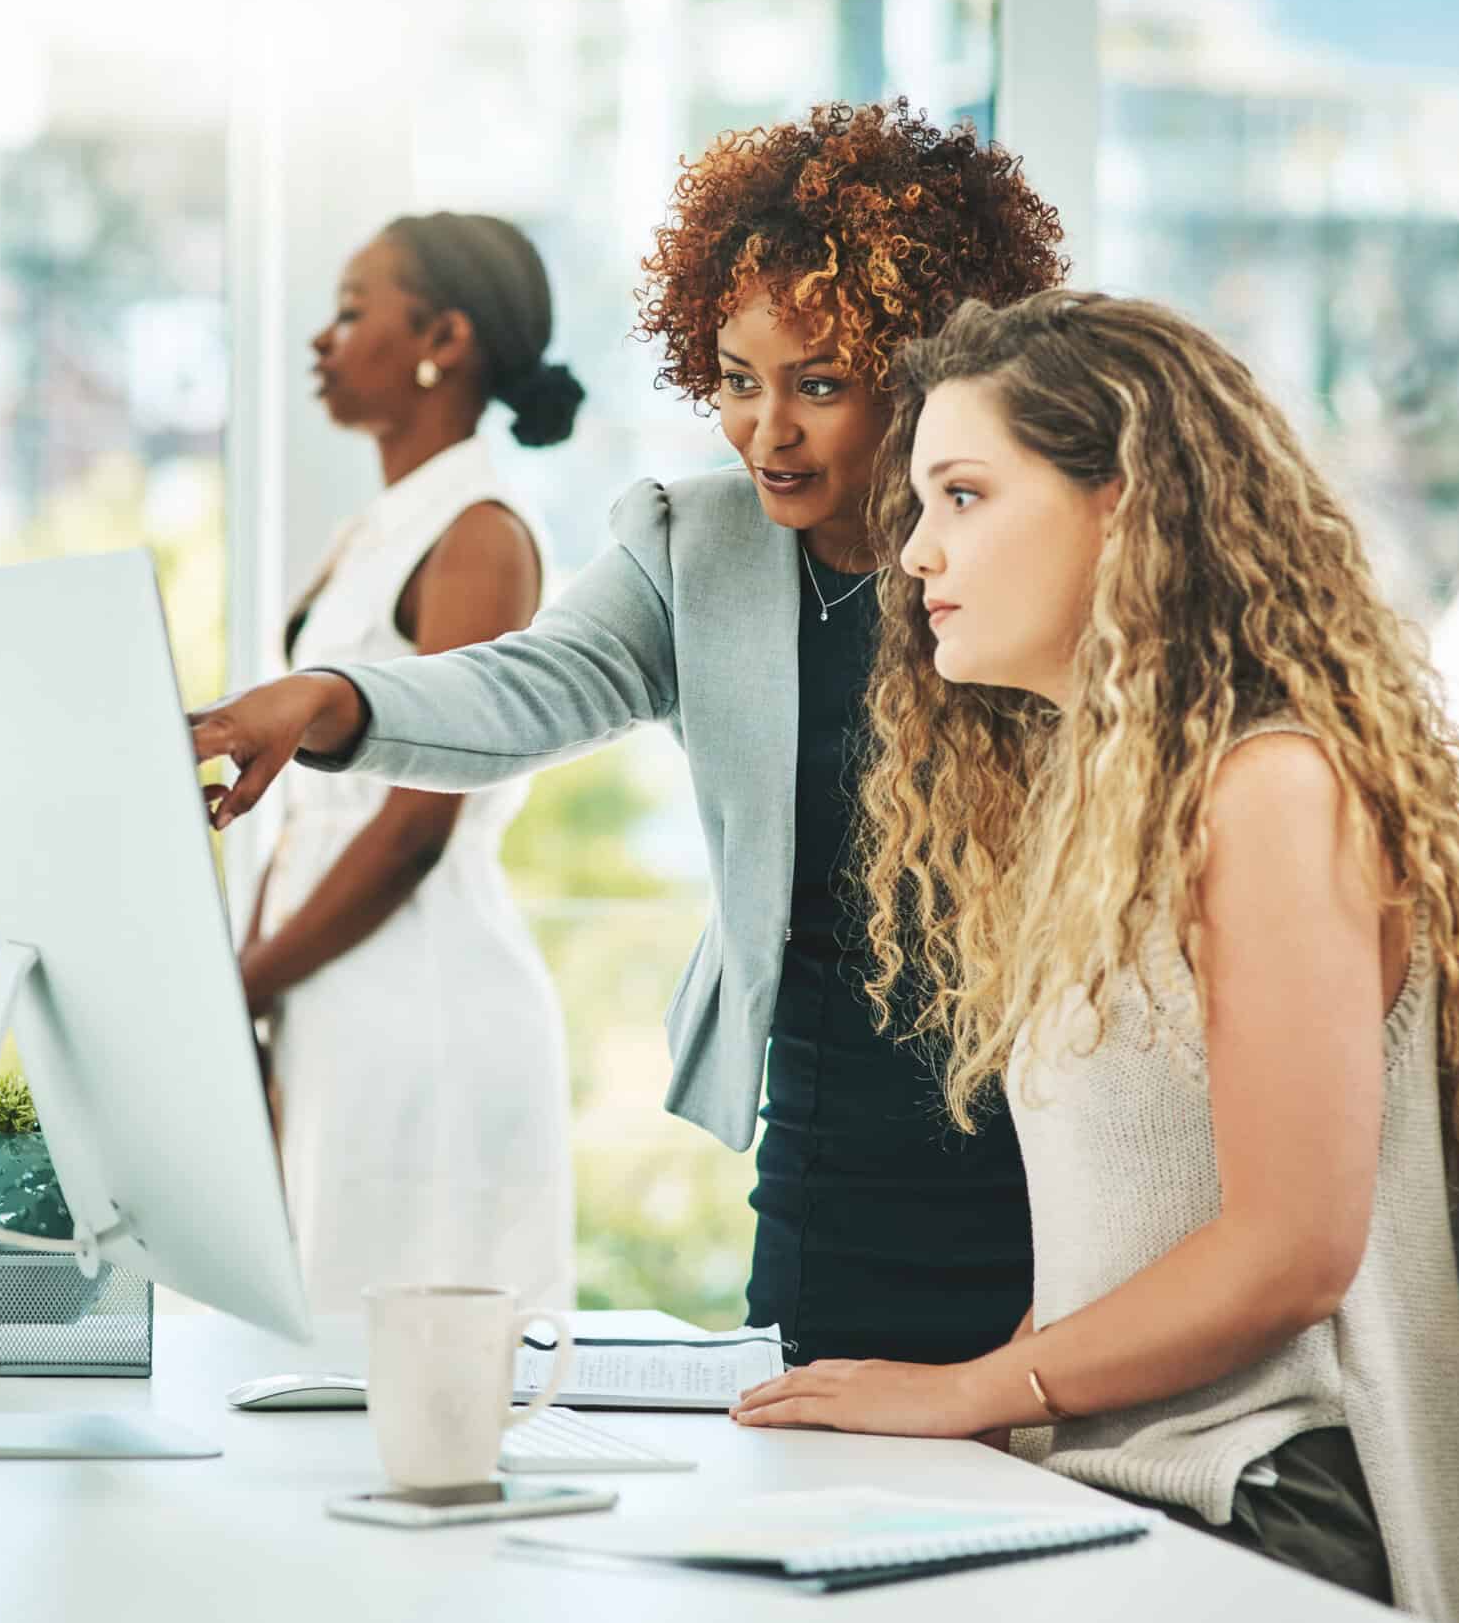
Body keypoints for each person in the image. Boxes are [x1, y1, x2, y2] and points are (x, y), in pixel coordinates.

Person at [193, 103, 1066, 1363]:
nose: (767, 432)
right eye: (734, 382)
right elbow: (531, 685)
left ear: (928, 375)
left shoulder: (1016, 550)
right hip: (827, 1137)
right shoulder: (692, 545)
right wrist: (336, 700)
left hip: (1040, 1135)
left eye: (817, 386)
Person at [729, 292, 1459, 1620]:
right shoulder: (1115, 808)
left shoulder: (1273, 791)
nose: (914, 554)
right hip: (1116, 1485)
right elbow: (1128, 1241)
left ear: (1127, 503)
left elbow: (1287, 1254)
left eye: (964, 496)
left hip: (1258, 1505)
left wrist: (966, 1391)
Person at [242, 212, 586, 1310]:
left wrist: (240, 986)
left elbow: (414, 823)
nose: (321, 341)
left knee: (395, 1368)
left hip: (419, 1004)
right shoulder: (387, 523)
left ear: (443, 334)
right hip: (338, 988)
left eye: (350, 311)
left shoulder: (477, 531)